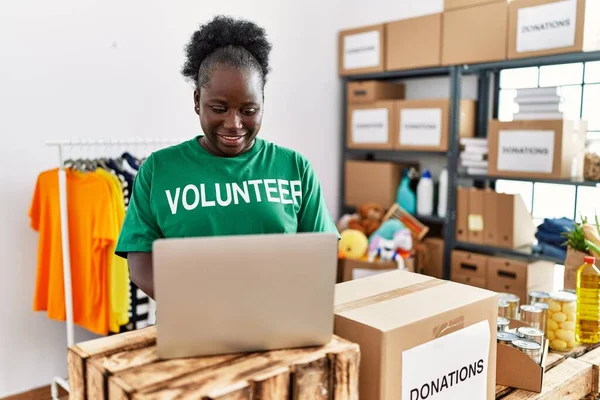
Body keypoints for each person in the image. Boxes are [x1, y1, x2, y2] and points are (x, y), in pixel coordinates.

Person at [115, 15, 339, 299]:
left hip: (279, 322)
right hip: (191, 327)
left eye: (248, 110)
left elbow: (322, 253)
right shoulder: (158, 170)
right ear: (197, 101)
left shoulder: (294, 168)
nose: (234, 123)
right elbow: (141, 265)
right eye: (219, 108)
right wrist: (206, 307)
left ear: (262, 104)